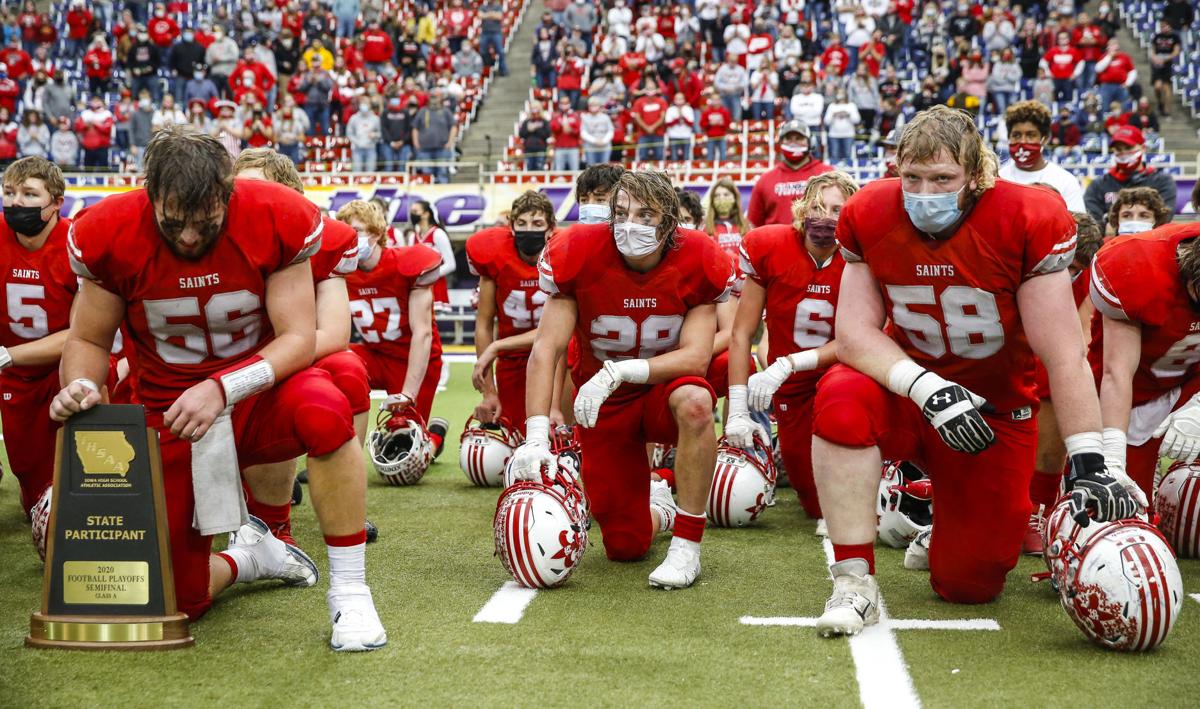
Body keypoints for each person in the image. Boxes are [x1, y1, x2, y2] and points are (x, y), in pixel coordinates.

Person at [54, 126, 386, 651]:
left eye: (204, 221)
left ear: (229, 193)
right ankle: (253, 557)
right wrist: (78, 384)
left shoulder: (276, 215)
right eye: (173, 221)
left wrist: (223, 386)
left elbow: (301, 339)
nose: (188, 237)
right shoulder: (109, 230)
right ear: (148, 191)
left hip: (255, 393)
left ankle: (350, 591)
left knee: (326, 406)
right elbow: (88, 338)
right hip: (168, 414)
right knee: (177, 601)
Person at [810, 106, 1139, 636]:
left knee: (968, 585)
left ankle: (940, 525)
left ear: (976, 176)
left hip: (993, 412)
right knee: (840, 398)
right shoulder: (870, 209)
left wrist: (1089, 455)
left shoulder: (1026, 216)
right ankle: (854, 581)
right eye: (912, 177)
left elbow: (1063, 354)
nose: (924, 191)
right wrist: (926, 387)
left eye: (942, 178)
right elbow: (853, 333)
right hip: (908, 389)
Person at [508, 171, 736, 588]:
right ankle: (661, 510)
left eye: (645, 215)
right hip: (604, 404)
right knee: (625, 546)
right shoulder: (578, 250)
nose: (630, 224)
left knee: (698, 402)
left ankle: (687, 545)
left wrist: (621, 370)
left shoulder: (698, 256)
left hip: (662, 389)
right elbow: (547, 348)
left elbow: (697, 358)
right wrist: (537, 434)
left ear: (668, 224)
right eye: (621, 212)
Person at [232, 148, 371, 546]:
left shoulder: (327, 240)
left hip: (282, 356)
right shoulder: (215, 233)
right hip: (217, 355)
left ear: (290, 194)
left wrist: (266, 364)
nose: (246, 199)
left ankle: (338, 497)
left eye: (257, 188)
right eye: (238, 189)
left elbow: (333, 334)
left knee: (347, 371)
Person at [727, 171, 859, 519]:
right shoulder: (770, 246)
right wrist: (738, 408)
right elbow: (741, 333)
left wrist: (788, 363)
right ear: (801, 208)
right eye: (817, 206)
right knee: (814, 502)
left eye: (836, 209)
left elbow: (855, 338)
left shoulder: (859, 257)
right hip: (791, 389)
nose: (825, 216)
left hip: (841, 375)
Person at [1092, 218, 1200, 507]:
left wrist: (1197, 408)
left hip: (1192, 379)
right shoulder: (1137, 266)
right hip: (1139, 386)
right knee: (1119, 506)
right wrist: (1112, 455)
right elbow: (1117, 371)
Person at [0, 157, 76, 555]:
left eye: (29, 194)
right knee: (34, 493)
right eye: (9, 193)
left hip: (71, 364)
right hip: (16, 376)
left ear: (55, 203)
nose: (16, 203)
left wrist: (8, 355)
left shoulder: (77, 242)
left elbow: (86, 335)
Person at [342, 199, 448, 451]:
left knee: (403, 452)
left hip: (412, 358)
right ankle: (341, 455)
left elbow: (422, 334)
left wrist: (408, 393)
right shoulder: (341, 270)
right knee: (334, 368)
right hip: (375, 356)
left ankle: (433, 438)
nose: (349, 238)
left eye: (356, 231)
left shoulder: (405, 264)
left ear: (378, 233)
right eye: (345, 232)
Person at [468, 191, 558, 432]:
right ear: (511, 226)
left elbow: (558, 333)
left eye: (537, 223)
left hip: (557, 360)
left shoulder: (561, 258)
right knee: (513, 440)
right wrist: (489, 391)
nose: (529, 230)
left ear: (551, 228)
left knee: (559, 436)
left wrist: (496, 347)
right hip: (512, 362)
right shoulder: (496, 260)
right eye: (522, 223)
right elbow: (484, 325)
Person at [998, 101, 1085, 212]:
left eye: (1031, 135)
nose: (1023, 141)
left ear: (1045, 138)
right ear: (1009, 137)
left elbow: (1078, 226)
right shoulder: (998, 179)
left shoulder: (1065, 181)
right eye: (1016, 135)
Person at [1083, 125, 1176, 226]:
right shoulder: (1099, 185)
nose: (1124, 153)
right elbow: (1093, 222)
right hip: (1111, 241)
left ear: (1143, 148)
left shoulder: (1162, 181)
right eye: (1118, 149)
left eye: (1128, 147)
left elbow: (1165, 217)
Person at [747, 120, 833, 227]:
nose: (793, 143)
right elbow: (753, 225)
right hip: (776, 242)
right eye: (788, 138)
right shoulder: (765, 180)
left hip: (818, 242)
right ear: (781, 143)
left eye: (799, 138)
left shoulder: (828, 174)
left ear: (811, 142)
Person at [411, 88, 456, 183]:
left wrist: (450, 142)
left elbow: (453, 127)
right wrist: (416, 143)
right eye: (432, 97)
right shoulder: (422, 111)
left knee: (442, 172)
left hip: (442, 148)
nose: (434, 100)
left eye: (436, 97)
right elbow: (415, 128)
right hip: (424, 149)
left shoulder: (445, 111)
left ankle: (443, 193)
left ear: (440, 99)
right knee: (426, 173)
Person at [704, 178, 749, 257]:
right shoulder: (705, 228)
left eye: (726, 194)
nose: (721, 198)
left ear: (734, 198)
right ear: (712, 200)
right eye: (717, 195)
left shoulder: (746, 226)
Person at [1107, 186, 1173, 237]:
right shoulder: (1103, 252)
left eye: (1144, 216)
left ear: (1157, 221)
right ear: (1117, 220)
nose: (1135, 221)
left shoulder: (1170, 253)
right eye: (1126, 216)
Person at [1148, 19, 1181, 118]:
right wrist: (1154, 58)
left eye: (1166, 26)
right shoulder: (1157, 36)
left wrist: (1166, 59)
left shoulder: (1175, 37)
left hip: (1167, 63)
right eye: (1162, 26)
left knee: (1166, 86)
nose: (1164, 28)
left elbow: (1176, 51)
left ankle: (1167, 110)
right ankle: (1160, 103)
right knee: (1157, 86)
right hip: (1157, 63)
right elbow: (1152, 50)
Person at [1095, 39, 1136, 112]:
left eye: (1116, 44)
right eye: (1112, 45)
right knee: (1105, 106)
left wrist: (1128, 83)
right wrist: (1109, 57)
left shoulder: (1124, 57)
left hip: (1121, 85)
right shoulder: (1103, 57)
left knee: (1123, 106)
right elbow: (1098, 69)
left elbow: (1132, 71)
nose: (1115, 47)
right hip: (1106, 86)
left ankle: (1123, 121)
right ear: (1108, 47)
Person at [74, 95, 113, 170]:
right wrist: (88, 124)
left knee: (103, 171)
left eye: (97, 101)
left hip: (102, 148)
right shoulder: (86, 114)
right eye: (94, 101)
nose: (95, 103)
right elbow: (78, 127)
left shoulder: (107, 114)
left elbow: (107, 129)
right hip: (88, 148)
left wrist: (95, 123)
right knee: (88, 171)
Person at [346, 100, 381, 172]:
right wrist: (357, 142)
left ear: (369, 106)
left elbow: (381, 133)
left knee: (370, 172)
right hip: (357, 149)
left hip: (371, 149)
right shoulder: (354, 118)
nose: (364, 106)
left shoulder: (375, 119)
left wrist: (375, 135)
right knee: (357, 172)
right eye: (363, 104)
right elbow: (349, 133)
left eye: (366, 104)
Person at [580, 96, 614, 167]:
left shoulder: (605, 117)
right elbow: (583, 132)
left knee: (605, 169)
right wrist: (595, 141)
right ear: (588, 106)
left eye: (595, 105)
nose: (593, 107)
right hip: (590, 148)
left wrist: (604, 141)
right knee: (591, 169)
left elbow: (611, 131)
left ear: (599, 106)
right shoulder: (585, 117)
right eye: (591, 105)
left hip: (605, 147)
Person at [551, 95, 582, 172]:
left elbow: (579, 131)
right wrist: (561, 126)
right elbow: (553, 129)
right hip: (559, 148)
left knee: (575, 171)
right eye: (562, 103)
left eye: (566, 103)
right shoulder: (556, 116)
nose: (564, 105)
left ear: (570, 103)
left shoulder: (575, 116)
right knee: (559, 171)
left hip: (573, 148)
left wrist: (571, 130)